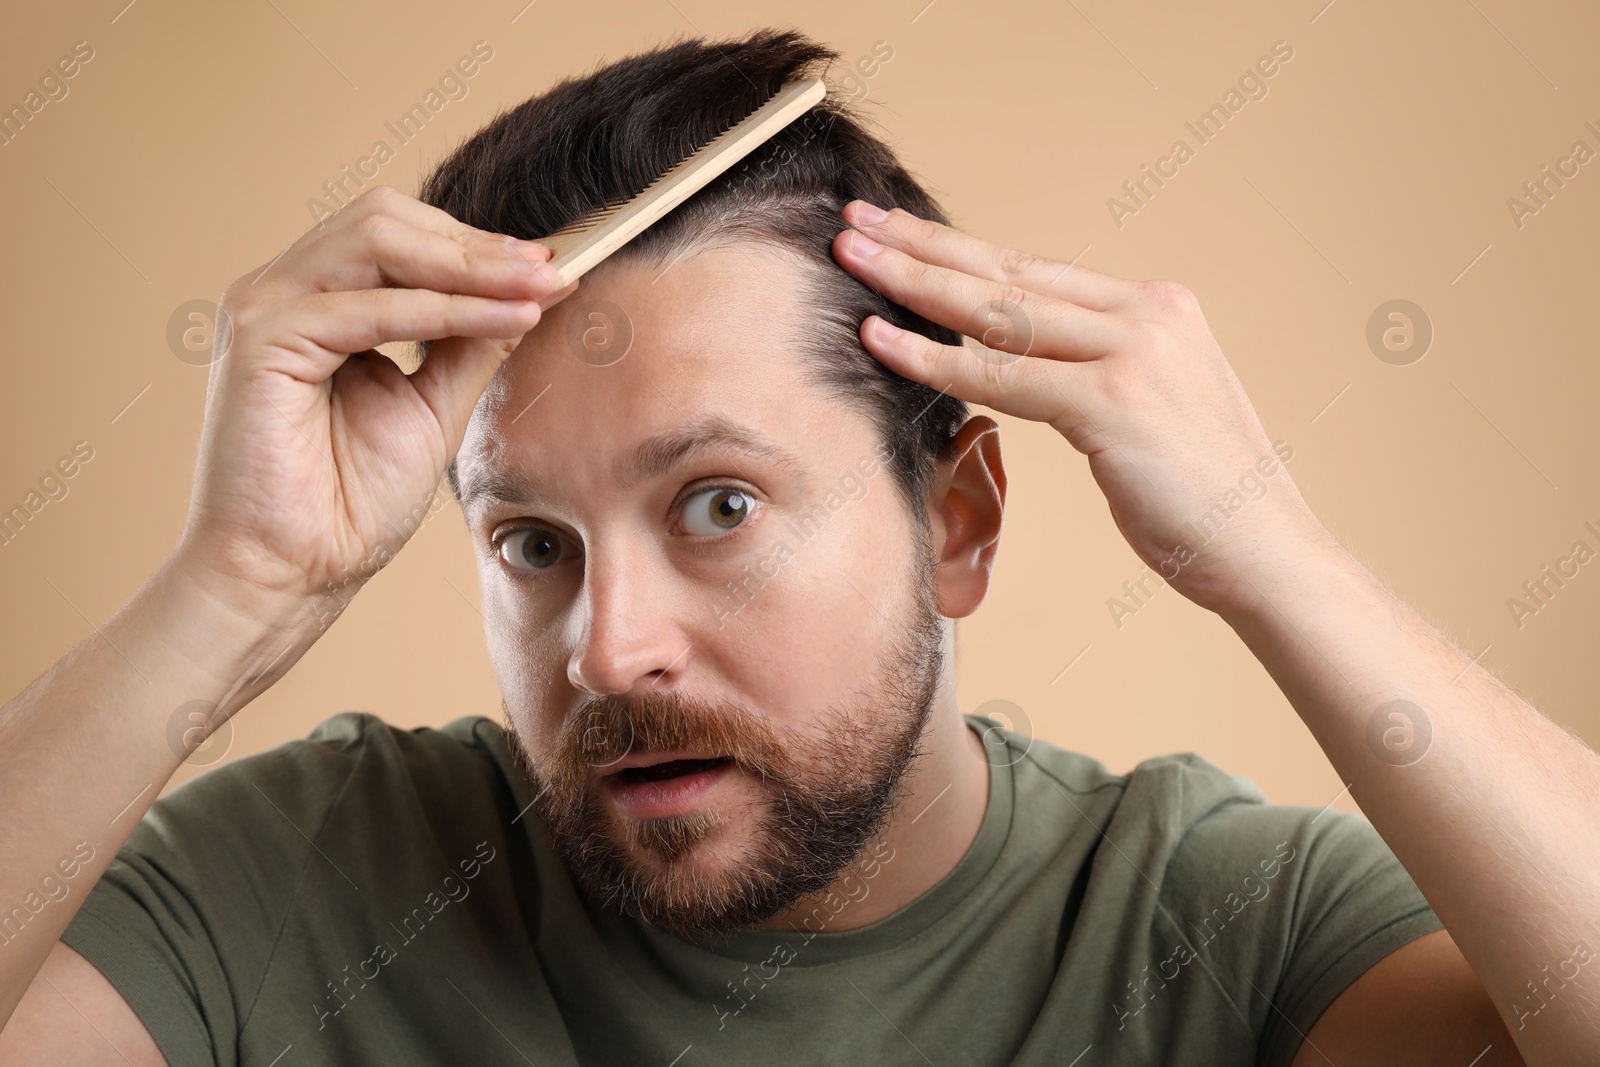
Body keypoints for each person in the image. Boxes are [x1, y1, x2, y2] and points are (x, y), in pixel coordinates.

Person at [0, 27, 1594, 1067]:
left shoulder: (1208, 926)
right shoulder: (305, 879)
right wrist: (234, 591)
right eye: (534, 542)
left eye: (719, 507)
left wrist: (1279, 558)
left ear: (955, 521)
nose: (606, 647)